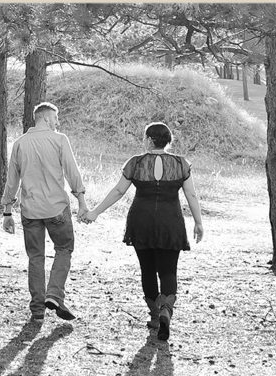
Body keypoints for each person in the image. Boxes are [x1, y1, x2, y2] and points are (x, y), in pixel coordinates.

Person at [82, 122, 204, 341]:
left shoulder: (136, 163)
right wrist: (198, 222)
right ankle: (167, 309)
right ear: (168, 141)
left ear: (149, 140)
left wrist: (95, 212)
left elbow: (119, 191)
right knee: (168, 271)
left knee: (147, 270)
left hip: (141, 221)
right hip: (170, 222)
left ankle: (155, 316)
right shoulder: (181, 164)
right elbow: (191, 195)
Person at [1, 102, 88, 322]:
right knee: (64, 249)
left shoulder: (20, 144)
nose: (58, 123)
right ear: (47, 119)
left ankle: (37, 311)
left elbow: (12, 180)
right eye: (56, 119)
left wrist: (7, 211)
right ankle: (54, 294)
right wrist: (81, 200)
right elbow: (72, 171)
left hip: (30, 211)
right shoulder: (59, 140)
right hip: (56, 208)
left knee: (35, 257)